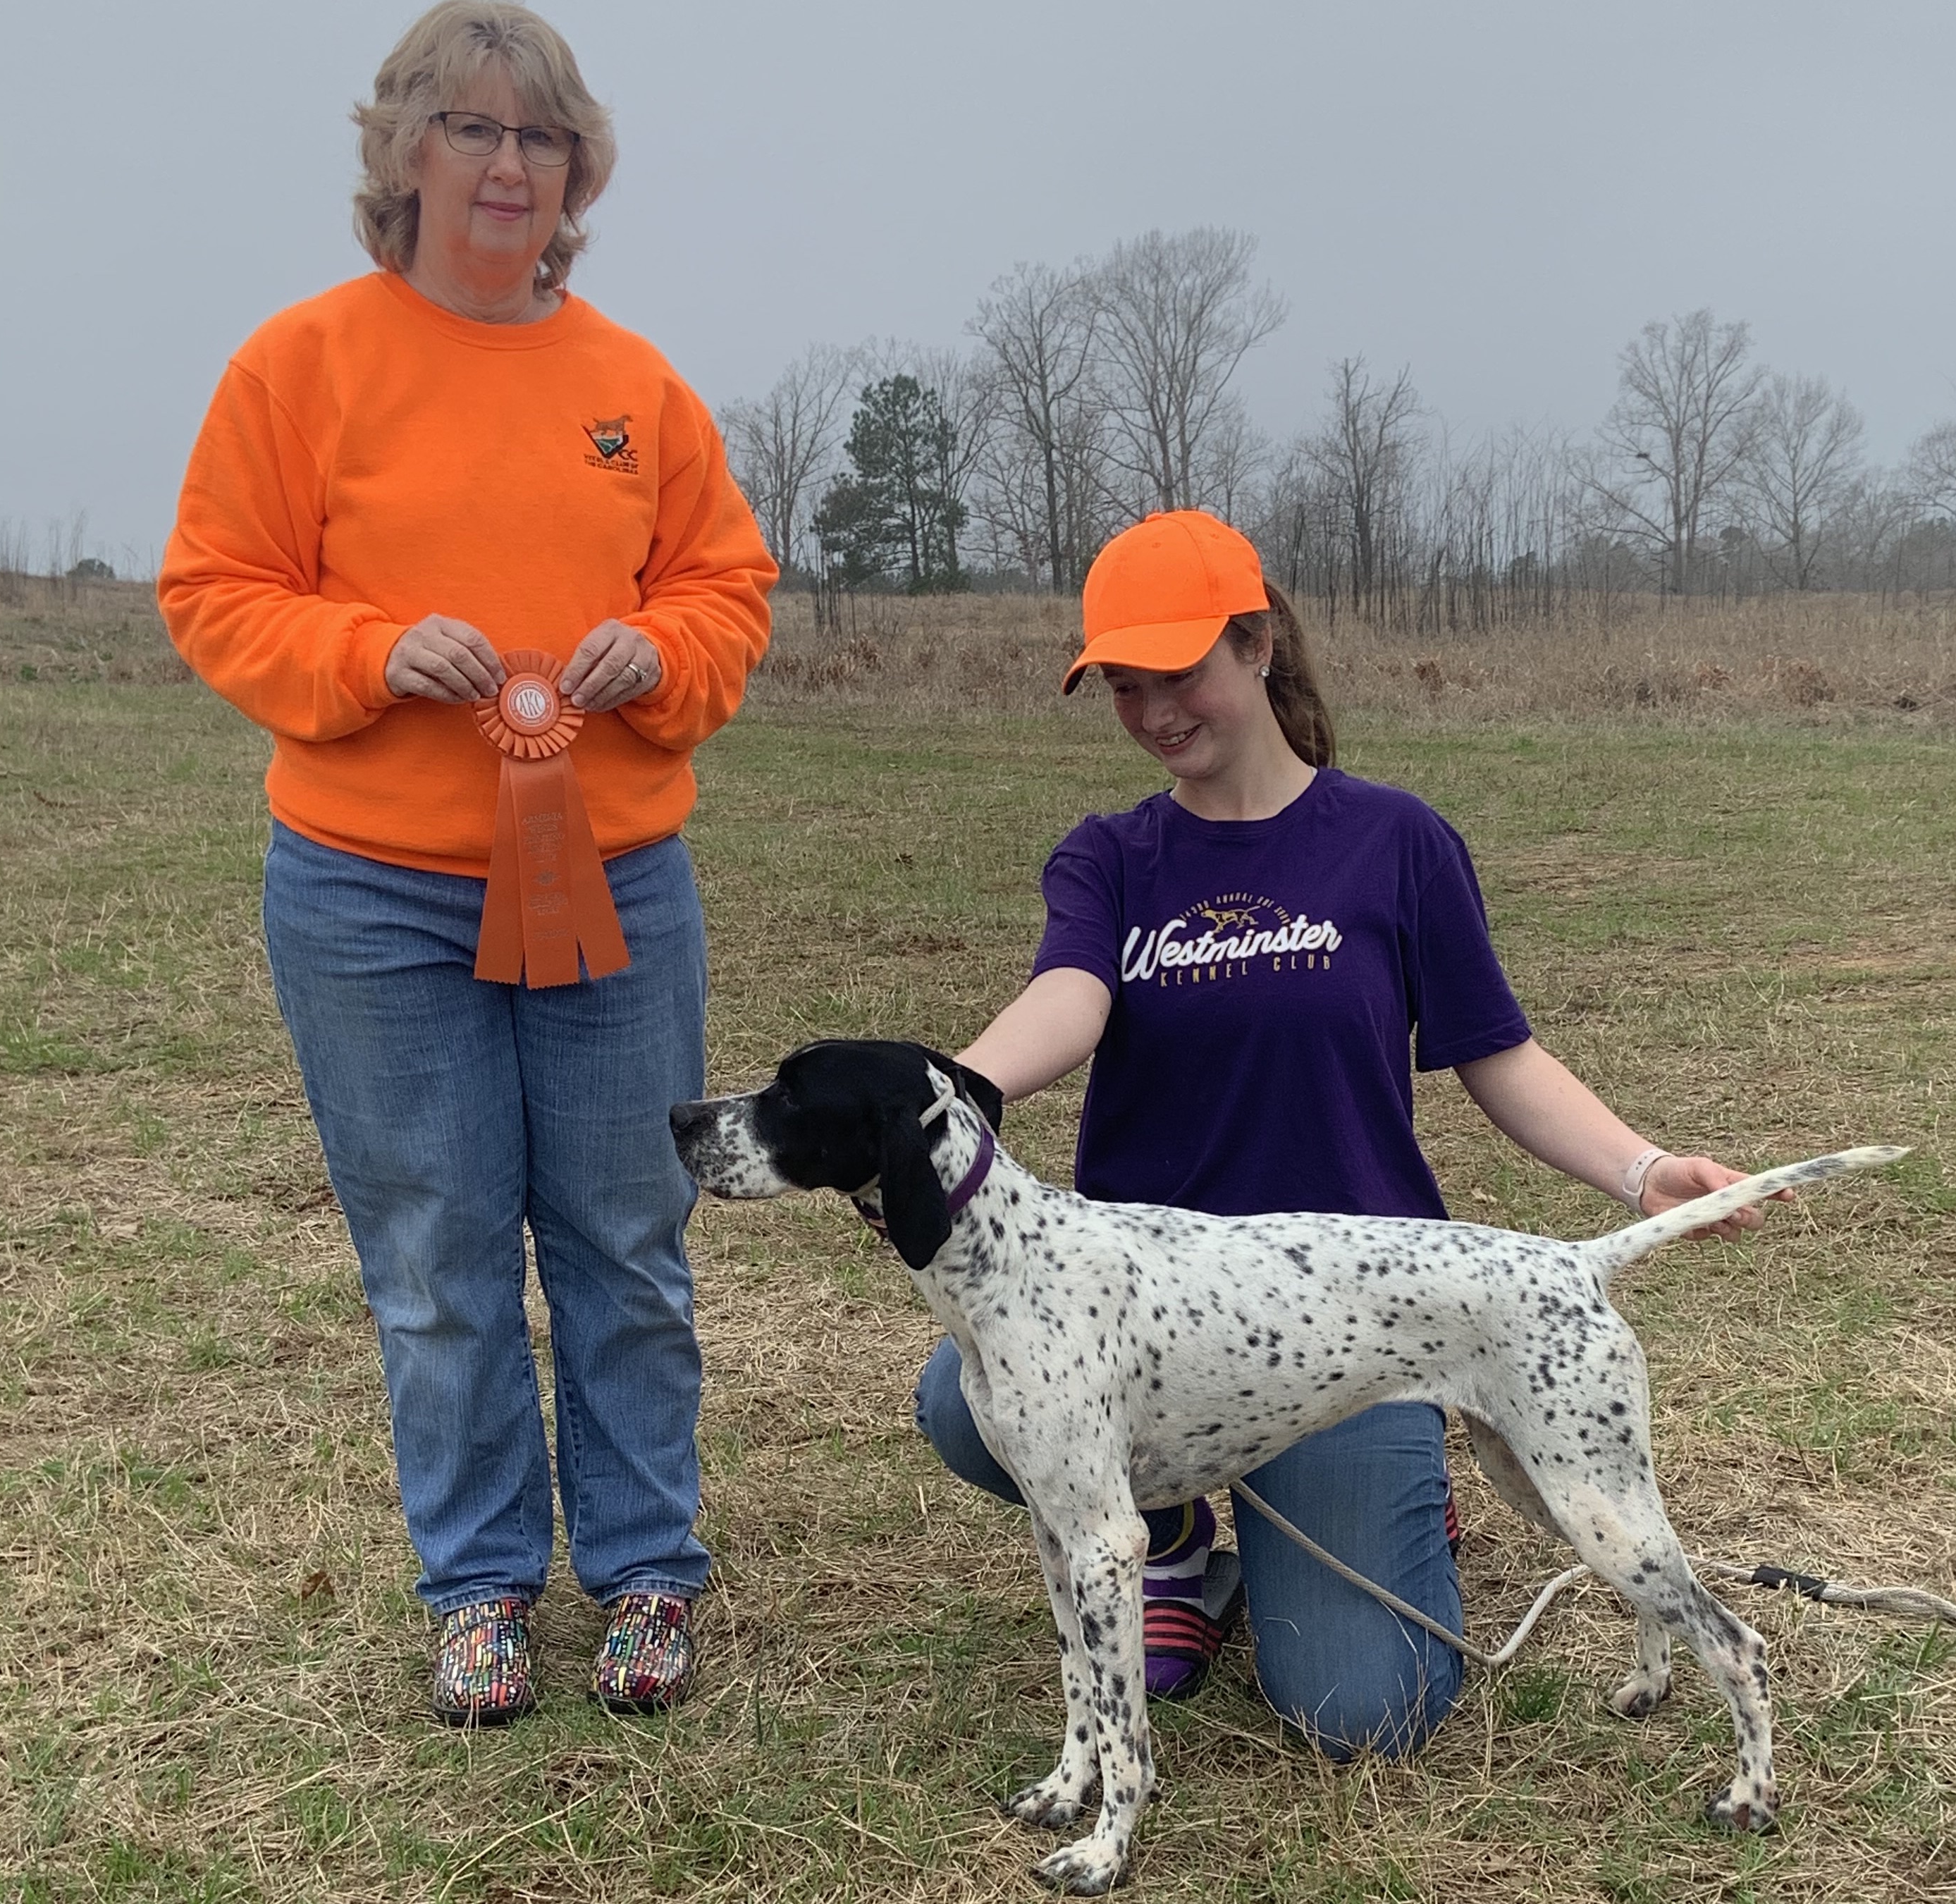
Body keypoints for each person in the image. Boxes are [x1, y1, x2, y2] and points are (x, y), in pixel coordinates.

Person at [916, 510, 1775, 1757]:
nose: (1154, 710)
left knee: (1364, 1708)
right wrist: (950, 1093)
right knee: (963, 1396)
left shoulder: (1397, 842)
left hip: (1357, 1326)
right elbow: (1071, 995)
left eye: (1178, 671)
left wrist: (1642, 1168)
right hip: (1146, 1323)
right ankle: (1168, 1540)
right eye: (1123, 685)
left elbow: (1498, 1052)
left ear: (1258, 644)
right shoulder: (1110, 857)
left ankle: (1396, 1477)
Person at [157, 2, 775, 1724]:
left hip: (614, 884)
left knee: (627, 1238)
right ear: (404, 154)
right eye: (474, 129)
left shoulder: (637, 388)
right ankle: (482, 1583)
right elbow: (215, 589)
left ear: (578, 172)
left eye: (542, 136)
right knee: (437, 1256)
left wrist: (667, 651)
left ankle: (647, 1567)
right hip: (370, 897)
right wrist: (364, 651)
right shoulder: (299, 366)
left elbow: (726, 588)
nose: (511, 164)